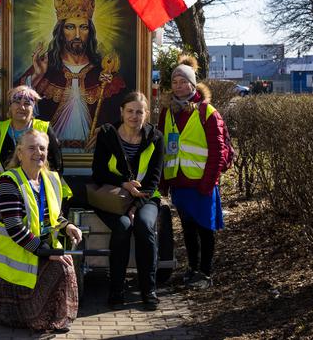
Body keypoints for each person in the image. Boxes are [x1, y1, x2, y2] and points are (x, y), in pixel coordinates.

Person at [0, 129, 82, 333]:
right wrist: (47, 252)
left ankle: (52, 316)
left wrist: (68, 226)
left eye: (42, 148)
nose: (38, 152)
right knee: (27, 321)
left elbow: (53, 216)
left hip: (38, 253)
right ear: (20, 153)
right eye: (32, 147)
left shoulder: (51, 179)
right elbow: (15, 228)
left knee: (65, 267)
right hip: (10, 265)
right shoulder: (8, 182)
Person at [18, 0, 126, 151]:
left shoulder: (105, 71)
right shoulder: (46, 69)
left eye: (83, 27)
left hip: (94, 158)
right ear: (61, 32)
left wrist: (105, 132)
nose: (77, 34)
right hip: (52, 158)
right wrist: (37, 76)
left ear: (90, 32)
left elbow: (124, 115)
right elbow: (18, 105)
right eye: (70, 27)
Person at [91, 91, 164, 310]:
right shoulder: (107, 134)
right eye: (130, 111)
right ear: (121, 112)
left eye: (139, 112)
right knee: (122, 227)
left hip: (146, 198)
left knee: (143, 226)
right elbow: (99, 172)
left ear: (146, 114)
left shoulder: (156, 138)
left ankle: (148, 289)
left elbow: (153, 179)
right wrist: (124, 184)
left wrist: (135, 205)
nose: (134, 116)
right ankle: (116, 289)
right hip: (112, 198)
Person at [158, 55, 226, 290]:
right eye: (175, 81)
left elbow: (218, 151)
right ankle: (192, 268)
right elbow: (161, 147)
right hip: (180, 183)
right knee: (187, 228)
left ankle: (206, 273)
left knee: (205, 229)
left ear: (193, 83)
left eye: (183, 81)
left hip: (202, 183)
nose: (179, 85)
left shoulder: (207, 112)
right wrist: (164, 182)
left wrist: (209, 183)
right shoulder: (167, 112)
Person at [0, 85, 63, 175]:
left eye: (27, 103)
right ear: (10, 106)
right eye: (17, 102)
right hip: (7, 183)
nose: (22, 107)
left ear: (33, 108)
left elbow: (57, 163)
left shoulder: (44, 128)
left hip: (39, 185)